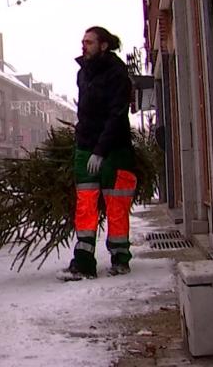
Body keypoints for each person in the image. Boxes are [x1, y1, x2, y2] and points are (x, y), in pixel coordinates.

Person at [59, 26, 136, 281]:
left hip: (115, 149)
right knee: (85, 205)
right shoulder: (83, 74)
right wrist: (84, 144)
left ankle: (120, 258)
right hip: (85, 147)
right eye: (83, 41)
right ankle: (83, 263)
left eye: (89, 42)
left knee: (116, 205)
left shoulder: (117, 74)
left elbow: (116, 115)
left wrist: (101, 151)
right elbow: (85, 113)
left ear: (103, 45)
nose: (84, 46)